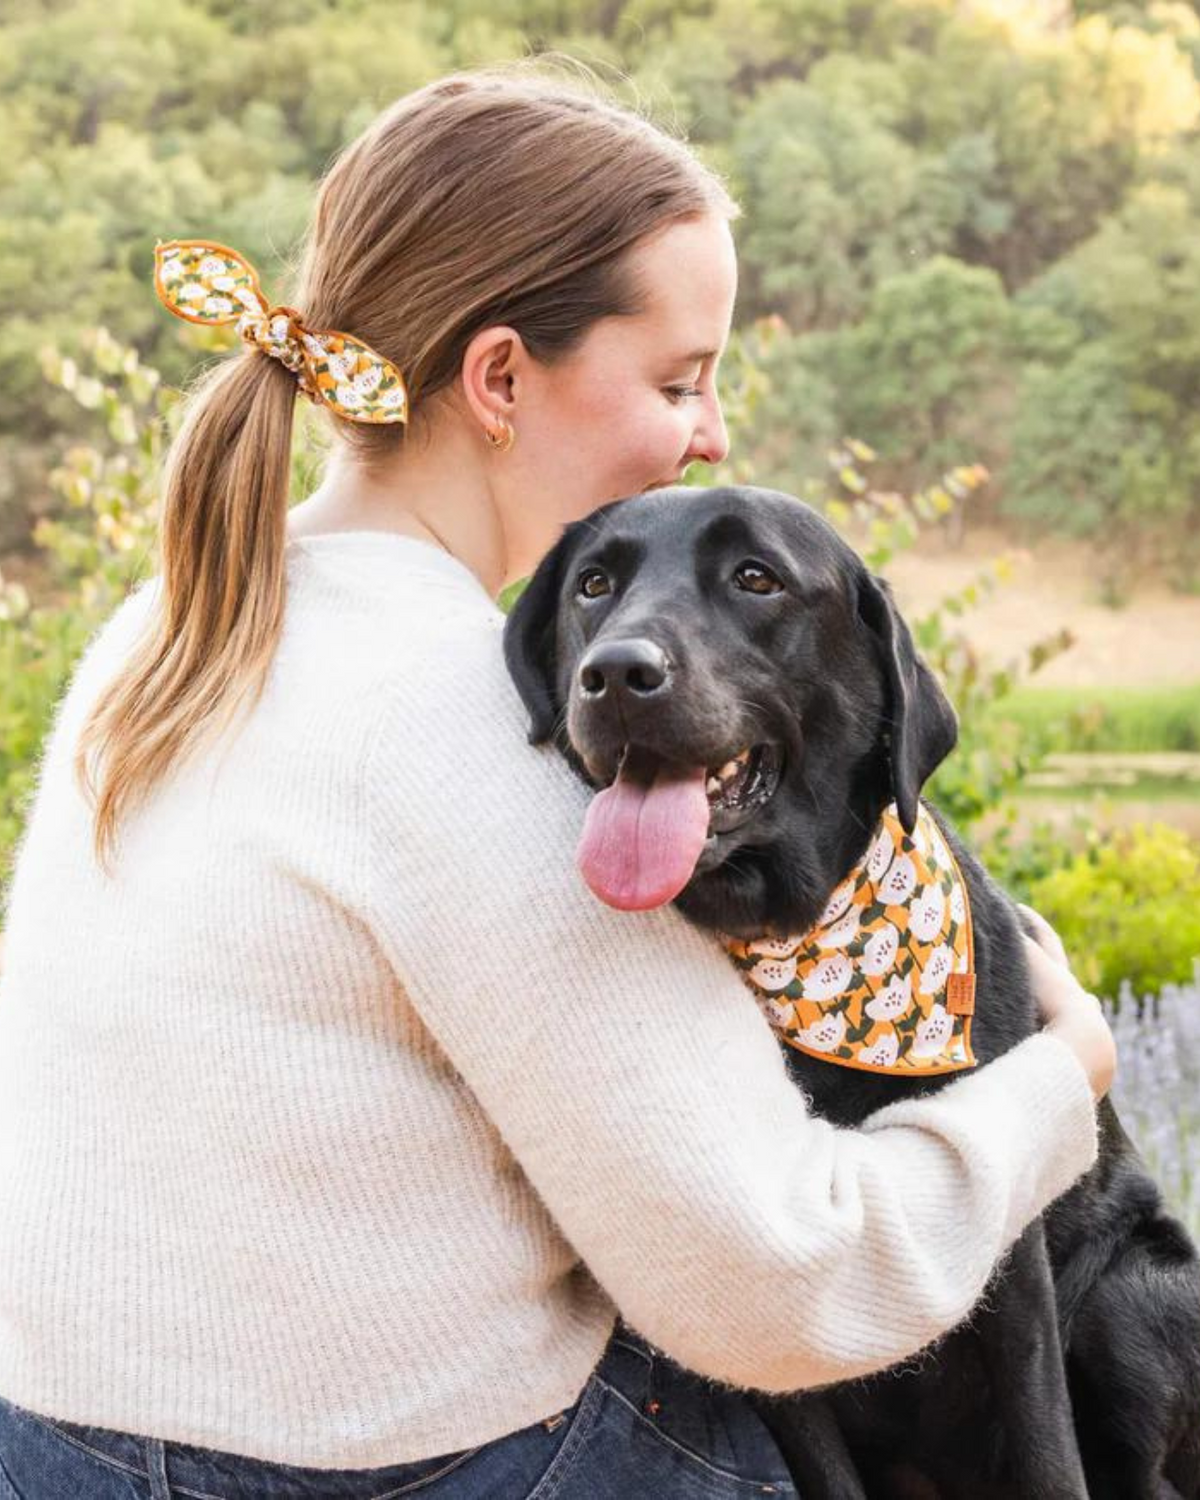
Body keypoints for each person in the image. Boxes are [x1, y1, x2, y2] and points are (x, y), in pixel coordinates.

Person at [0, 62, 1115, 1499]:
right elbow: (782, 1286)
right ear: (503, 378)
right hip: (378, 1470)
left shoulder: (180, 621)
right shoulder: (467, 726)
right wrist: (1054, 1085)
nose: (711, 433)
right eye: (679, 379)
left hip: (49, 1439)